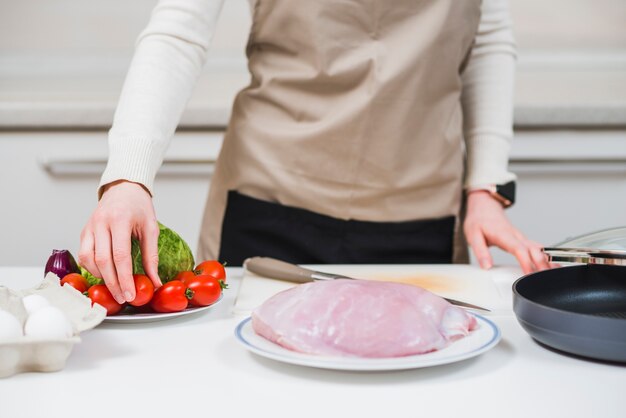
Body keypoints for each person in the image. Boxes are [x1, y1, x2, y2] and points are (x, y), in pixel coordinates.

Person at [78, 0, 550, 305]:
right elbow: (179, 31)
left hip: (418, 205)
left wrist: (486, 184)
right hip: (271, 195)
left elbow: (486, 35)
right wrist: (128, 177)